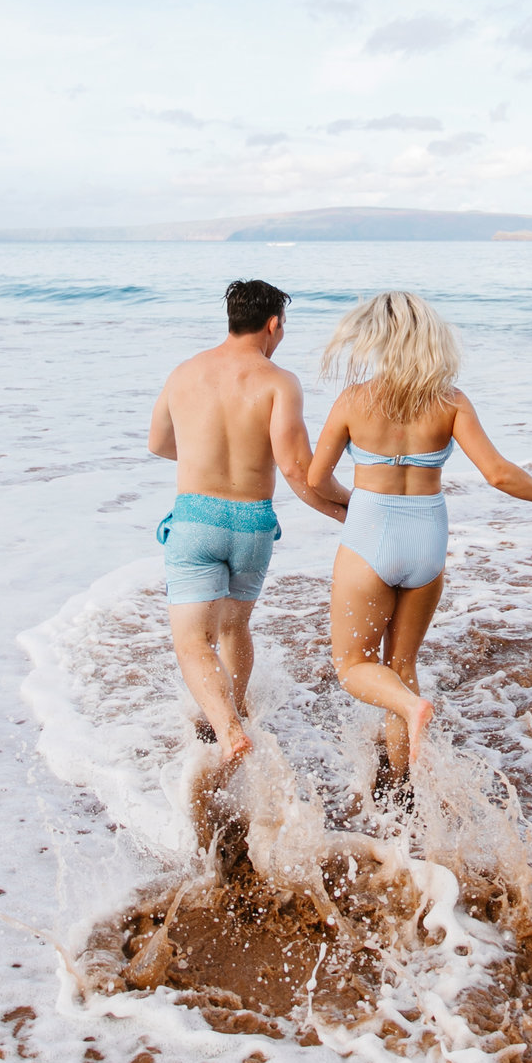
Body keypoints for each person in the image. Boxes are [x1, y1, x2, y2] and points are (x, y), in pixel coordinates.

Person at [307, 290, 532, 777]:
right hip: (427, 540)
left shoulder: (354, 399)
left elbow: (315, 478)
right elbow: (498, 474)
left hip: (370, 534)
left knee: (352, 666)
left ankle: (412, 717)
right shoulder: (450, 401)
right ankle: (405, 785)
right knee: (401, 666)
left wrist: (355, 505)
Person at [149, 279, 348, 768]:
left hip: (196, 518)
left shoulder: (184, 373)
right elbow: (299, 471)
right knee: (235, 629)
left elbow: (158, 443)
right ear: (273, 323)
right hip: (253, 523)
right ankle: (236, 712)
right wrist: (350, 510)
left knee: (194, 641)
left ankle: (226, 729)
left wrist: (199, 454)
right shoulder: (279, 382)